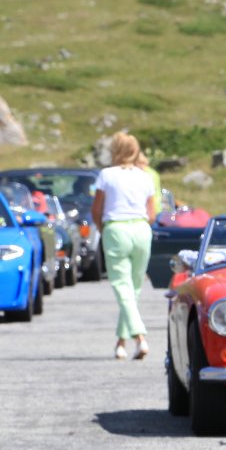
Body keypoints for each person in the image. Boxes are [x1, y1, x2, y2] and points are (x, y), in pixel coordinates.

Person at [91, 132, 158, 360]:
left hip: (116, 228)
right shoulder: (145, 176)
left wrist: (103, 228)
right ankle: (121, 342)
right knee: (133, 288)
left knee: (122, 286)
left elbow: (97, 209)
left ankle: (139, 337)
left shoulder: (107, 175)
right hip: (141, 228)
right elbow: (152, 213)